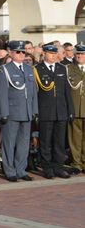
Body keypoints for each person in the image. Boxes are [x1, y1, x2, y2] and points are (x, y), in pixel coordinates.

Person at [0, 41, 38, 182]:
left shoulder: (28, 69)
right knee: (9, 142)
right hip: (12, 112)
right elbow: (1, 94)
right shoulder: (5, 70)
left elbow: (33, 92)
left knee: (24, 143)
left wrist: (34, 110)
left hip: (26, 112)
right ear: (11, 53)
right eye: (18, 52)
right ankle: (9, 170)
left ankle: (21, 169)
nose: (21, 55)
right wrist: (3, 113)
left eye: (23, 52)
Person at [34, 44, 74, 179]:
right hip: (45, 111)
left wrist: (70, 110)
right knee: (45, 142)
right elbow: (36, 93)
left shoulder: (61, 68)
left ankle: (59, 167)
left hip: (61, 111)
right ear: (44, 54)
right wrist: (36, 112)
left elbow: (67, 91)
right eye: (50, 53)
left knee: (59, 142)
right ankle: (48, 168)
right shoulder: (37, 69)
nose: (53, 55)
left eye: (54, 53)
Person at [67, 44, 85, 173]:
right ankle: (77, 164)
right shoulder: (68, 69)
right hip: (75, 108)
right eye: (77, 53)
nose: (79, 56)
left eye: (82, 54)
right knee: (74, 138)